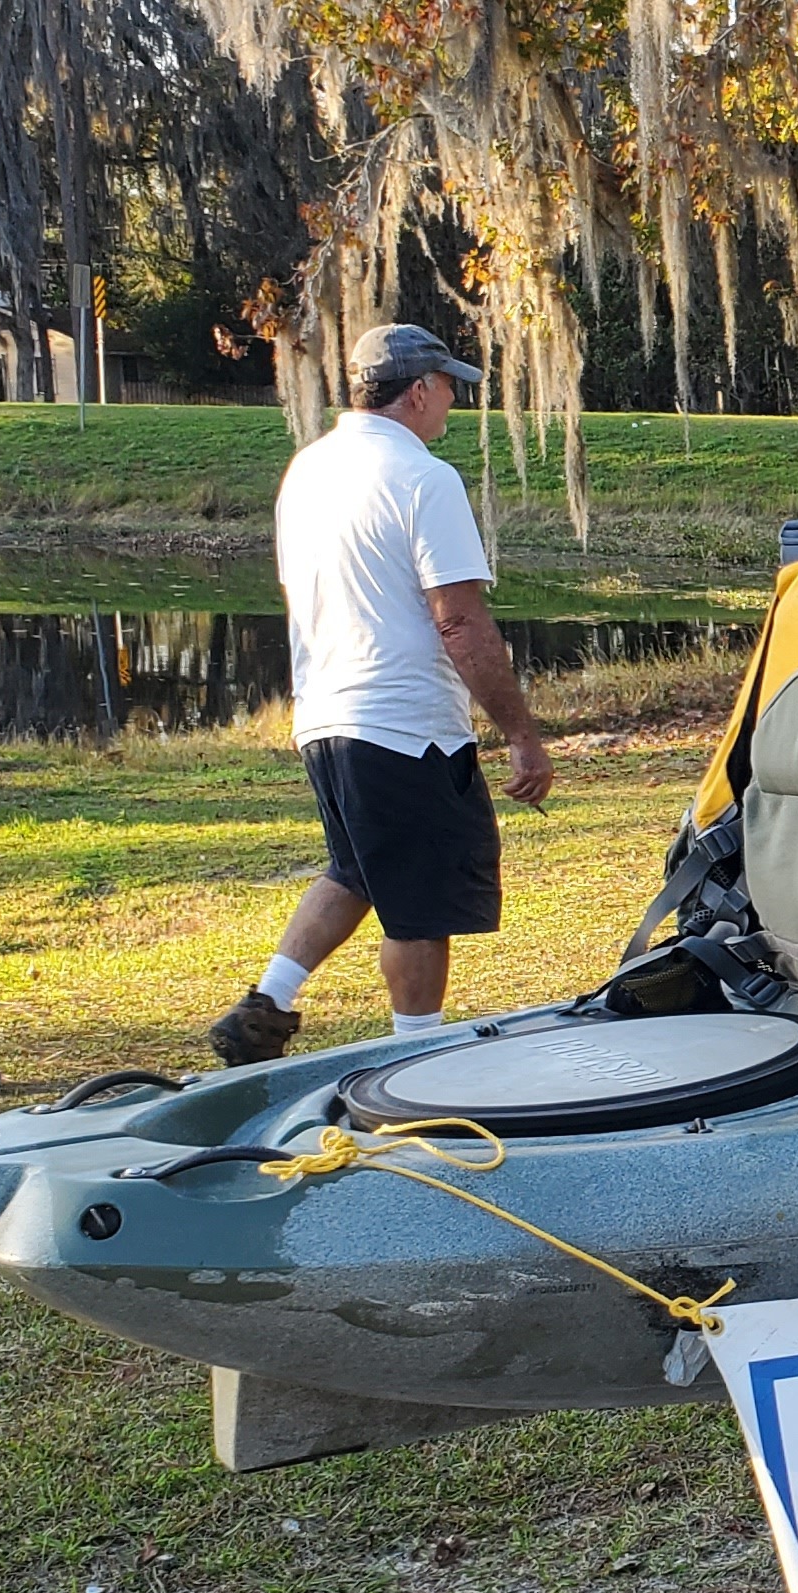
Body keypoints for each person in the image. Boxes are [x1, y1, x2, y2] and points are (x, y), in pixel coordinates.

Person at [209, 323, 555, 1066]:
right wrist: (520, 733)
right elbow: (458, 619)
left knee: (358, 870)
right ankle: (419, 1060)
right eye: (449, 388)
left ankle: (265, 1006)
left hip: (326, 713)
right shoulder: (423, 478)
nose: (453, 403)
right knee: (420, 906)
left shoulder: (309, 469)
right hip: (405, 722)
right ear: (421, 389)